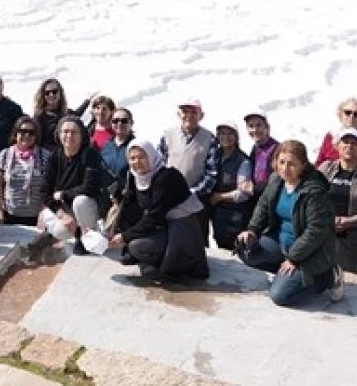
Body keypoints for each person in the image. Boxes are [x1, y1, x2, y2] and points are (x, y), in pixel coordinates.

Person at [236, 139, 344, 306]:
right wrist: (252, 230)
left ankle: (327, 277)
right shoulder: (276, 180)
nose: (285, 168)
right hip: (281, 243)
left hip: (310, 252)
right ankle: (286, 276)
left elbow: (316, 230)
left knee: (279, 296)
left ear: (303, 164)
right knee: (245, 248)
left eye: (292, 164)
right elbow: (263, 206)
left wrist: (294, 258)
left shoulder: (313, 191)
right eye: (282, 162)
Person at [108, 139, 209, 282]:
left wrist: (124, 237)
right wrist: (113, 230)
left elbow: (154, 217)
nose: (137, 162)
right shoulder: (135, 177)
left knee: (137, 246)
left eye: (142, 157)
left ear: (151, 156)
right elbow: (131, 206)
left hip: (181, 230)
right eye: (132, 158)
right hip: (162, 226)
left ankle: (170, 266)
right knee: (129, 226)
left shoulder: (165, 177)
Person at [319, 128, 357, 276]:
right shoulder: (326, 168)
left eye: (354, 143)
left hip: (350, 241)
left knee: (344, 282)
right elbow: (311, 199)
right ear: (337, 146)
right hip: (322, 234)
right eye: (345, 142)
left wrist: (349, 221)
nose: (349, 147)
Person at [40, 116, 104, 254]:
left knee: (80, 201)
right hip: (66, 207)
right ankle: (77, 234)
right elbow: (44, 191)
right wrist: (61, 214)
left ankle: (88, 237)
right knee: (58, 229)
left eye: (74, 132)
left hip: (89, 206)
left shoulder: (89, 154)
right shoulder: (55, 156)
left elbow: (89, 187)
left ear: (82, 136)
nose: (69, 135)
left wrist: (63, 194)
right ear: (59, 134)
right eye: (65, 131)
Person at [159, 98, 219, 242]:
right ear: (179, 114)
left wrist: (193, 192)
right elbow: (159, 164)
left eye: (194, 112)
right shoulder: (167, 135)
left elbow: (212, 172)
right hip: (170, 197)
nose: (189, 116)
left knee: (197, 239)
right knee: (170, 237)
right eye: (185, 111)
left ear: (201, 115)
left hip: (197, 200)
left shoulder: (209, 138)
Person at [0, 116, 50, 225]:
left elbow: (51, 188)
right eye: (23, 131)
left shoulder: (45, 156)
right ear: (15, 134)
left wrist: (45, 212)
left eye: (31, 132)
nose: (27, 135)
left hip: (37, 217)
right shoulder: (5, 155)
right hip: (9, 215)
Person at [208, 121, 252, 250]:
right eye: (222, 133)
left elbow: (243, 194)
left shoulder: (243, 161)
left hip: (234, 215)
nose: (226, 137)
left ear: (236, 137)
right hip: (217, 213)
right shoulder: (214, 155)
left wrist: (219, 197)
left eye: (230, 134)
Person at [314, 97, 357, 167]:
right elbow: (319, 163)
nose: (351, 116)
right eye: (347, 112)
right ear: (340, 115)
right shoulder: (330, 137)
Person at [32, 78, 90, 152]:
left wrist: (87, 101)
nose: (51, 95)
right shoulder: (39, 116)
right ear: (43, 95)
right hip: (49, 157)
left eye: (54, 91)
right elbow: (37, 141)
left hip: (67, 155)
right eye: (47, 93)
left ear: (60, 93)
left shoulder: (66, 112)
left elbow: (76, 115)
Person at [244, 111, 281, 212]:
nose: (255, 130)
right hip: (258, 200)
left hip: (272, 202)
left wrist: (253, 189)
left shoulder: (277, 149)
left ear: (267, 127)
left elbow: (277, 179)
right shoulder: (255, 148)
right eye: (251, 126)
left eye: (259, 125)